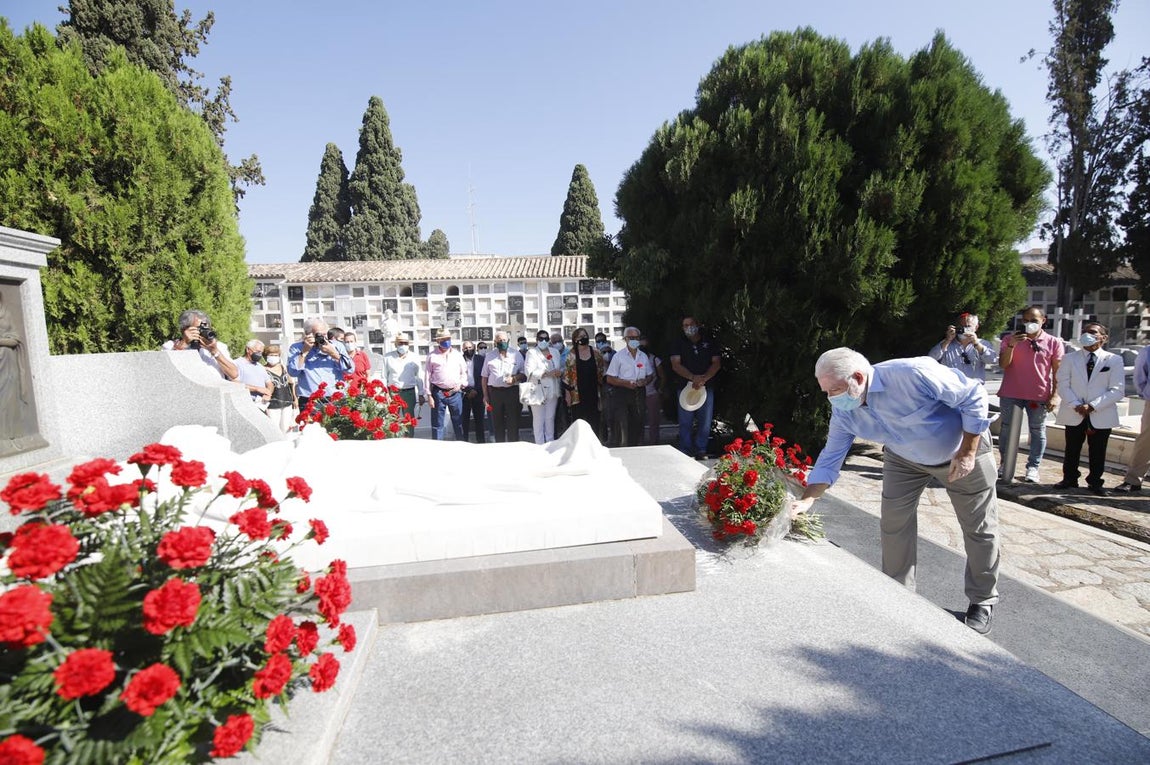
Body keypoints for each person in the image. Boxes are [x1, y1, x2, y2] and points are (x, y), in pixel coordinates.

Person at [793, 348, 1000, 635]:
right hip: (904, 458)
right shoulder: (844, 409)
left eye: (835, 390)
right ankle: (898, 591)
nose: (831, 398)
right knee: (894, 522)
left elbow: (973, 395)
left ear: (858, 377)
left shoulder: (912, 374)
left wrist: (968, 451)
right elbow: (831, 456)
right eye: (826, 392)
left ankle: (982, 599)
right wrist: (807, 500)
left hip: (960, 452)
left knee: (979, 527)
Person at [1053, 322, 1125, 496]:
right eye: (1085, 332)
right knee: (1072, 447)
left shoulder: (1113, 360)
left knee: (1098, 449)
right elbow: (1063, 384)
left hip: (1101, 412)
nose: (1087, 335)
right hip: (1074, 410)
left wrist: (1093, 406)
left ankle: (1095, 481)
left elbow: (1117, 389)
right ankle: (1069, 478)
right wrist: (1075, 404)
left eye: (1093, 332)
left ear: (1103, 338)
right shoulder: (1070, 358)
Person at [997, 305, 1064, 483]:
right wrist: (1012, 345)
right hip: (1011, 392)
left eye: (1033, 320)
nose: (1029, 323)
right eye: (1025, 320)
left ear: (1043, 320)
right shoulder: (1009, 339)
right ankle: (1005, 463)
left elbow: (1058, 371)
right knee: (1006, 429)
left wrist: (1055, 395)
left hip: (1039, 394)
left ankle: (1033, 467)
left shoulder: (1053, 342)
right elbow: (1003, 364)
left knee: (1037, 430)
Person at [670, 316, 721, 458]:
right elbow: (675, 364)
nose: (688, 327)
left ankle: (701, 449)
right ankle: (685, 450)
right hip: (685, 386)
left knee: (705, 421)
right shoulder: (678, 343)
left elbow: (716, 363)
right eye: (685, 325)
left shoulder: (709, 341)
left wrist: (704, 378)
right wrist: (693, 378)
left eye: (691, 324)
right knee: (685, 421)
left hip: (706, 386)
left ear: (698, 325)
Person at [288, 317, 353, 408]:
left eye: (325, 334)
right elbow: (293, 372)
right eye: (319, 334)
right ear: (308, 334)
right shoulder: (296, 348)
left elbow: (350, 369)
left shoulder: (336, 345)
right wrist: (304, 352)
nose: (323, 337)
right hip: (310, 398)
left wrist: (333, 353)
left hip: (335, 397)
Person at [605, 327, 652, 447]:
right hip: (622, 392)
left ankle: (636, 446)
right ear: (625, 339)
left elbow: (650, 375)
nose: (634, 340)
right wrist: (625, 383)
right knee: (623, 424)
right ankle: (623, 447)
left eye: (636, 338)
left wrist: (645, 381)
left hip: (639, 392)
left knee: (638, 421)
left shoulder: (643, 356)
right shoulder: (618, 356)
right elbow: (610, 378)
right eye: (631, 338)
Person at [162, 309, 239, 381]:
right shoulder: (170, 346)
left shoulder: (219, 346)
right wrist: (181, 346)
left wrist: (215, 351)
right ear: (184, 330)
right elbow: (163, 372)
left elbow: (234, 374)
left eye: (206, 328)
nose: (203, 332)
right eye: (199, 329)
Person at [1115, 344, 1150, 493]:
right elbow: (1140, 376)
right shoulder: (1147, 351)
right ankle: (1133, 480)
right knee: (1145, 442)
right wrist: (1145, 393)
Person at [927, 312, 998, 384]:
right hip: (951, 386)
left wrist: (976, 344)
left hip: (974, 386)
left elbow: (992, 360)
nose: (964, 329)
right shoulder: (946, 343)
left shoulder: (983, 343)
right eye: (961, 327)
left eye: (967, 326)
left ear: (976, 327)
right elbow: (931, 358)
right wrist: (948, 340)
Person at [481, 331, 525, 442]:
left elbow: (524, 373)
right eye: (499, 340)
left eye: (504, 340)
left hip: (512, 392)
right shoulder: (489, 356)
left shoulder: (516, 354)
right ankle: (500, 446)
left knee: (513, 422)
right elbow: (484, 377)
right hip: (495, 393)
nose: (502, 342)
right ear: (495, 342)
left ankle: (513, 445)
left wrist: (515, 378)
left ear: (508, 341)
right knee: (497, 423)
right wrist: (485, 395)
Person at [425, 328, 467, 441]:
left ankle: (461, 444)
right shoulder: (432, 356)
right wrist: (429, 395)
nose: (446, 341)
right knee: (437, 423)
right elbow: (427, 376)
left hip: (455, 393)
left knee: (458, 422)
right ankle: (438, 446)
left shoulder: (457, 355)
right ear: (438, 341)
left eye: (448, 339)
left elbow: (464, 372)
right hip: (438, 392)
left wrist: (461, 384)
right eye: (443, 339)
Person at [524, 330, 564, 443]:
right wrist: (547, 374)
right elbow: (529, 371)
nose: (544, 341)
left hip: (553, 390)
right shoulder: (531, 352)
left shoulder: (555, 352)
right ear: (537, 340)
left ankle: (550, 443)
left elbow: (560, 367)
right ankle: (539, 445)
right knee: (538, 420)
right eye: (541, 339)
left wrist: (559, 372)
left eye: (546, 339)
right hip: (538, 390)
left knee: (550, 418)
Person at [382, 333, 425, 438]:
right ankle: (393, 439)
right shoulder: (388, 357)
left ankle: (409, 439)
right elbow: (384, 376)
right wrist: (385, 393)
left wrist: (421, 393)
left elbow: (419, 376)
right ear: (396, 344)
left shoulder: (414, 357)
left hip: (409, 392)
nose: (403, 345)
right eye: (400, 343)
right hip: (393, 393)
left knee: (409, 418)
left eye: (405, 343)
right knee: (392, 418)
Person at [563, 327, 607, 429]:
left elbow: (602, 370)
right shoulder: (571, 355)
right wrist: (568, 394)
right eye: (580, 336)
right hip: (577, 394)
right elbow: (567, 375)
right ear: (575, 339)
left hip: (594, 392)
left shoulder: (596, 352)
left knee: (594, 422)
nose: (583, 338)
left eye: (585, 336)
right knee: (579, 423)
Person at [263, 344, 297, 434]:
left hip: (287, 402)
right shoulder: (263, 370)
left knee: (286, 428)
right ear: (266, 356)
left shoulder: (283, 367)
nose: (274, 357)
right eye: (271, 355)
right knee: (274, 430)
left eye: (276, 355)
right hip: (272, 404)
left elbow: (291, 383)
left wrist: (295, 398)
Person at [640, 335, 666, 445]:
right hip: (638, 393)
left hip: (652, 393)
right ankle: (639, 441)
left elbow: (662, 376)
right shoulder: (634, 360)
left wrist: (660, 390)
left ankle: (654, 441)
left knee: (654, 420)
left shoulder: (655, 359)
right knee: (638, 419)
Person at [233, 339, 273, 408]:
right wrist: (256, 389)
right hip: (245, 405)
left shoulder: (260, 366)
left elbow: (269, 384)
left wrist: (268, 394)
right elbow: (234, 384)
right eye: (258, 351)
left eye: (261, 352)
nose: (260, 355)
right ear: (248, 350)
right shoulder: (236, 364)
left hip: (261, 404)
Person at [461, 340, 487, 443]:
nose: (468, 350)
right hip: (464, 394)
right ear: (462, 349)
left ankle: (481, 443)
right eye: (465, 348)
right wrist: (467, 390)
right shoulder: (459, 360)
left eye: (470, 347)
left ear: (474, 348)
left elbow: (484, 376)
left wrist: (476, 390)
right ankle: (464, 442)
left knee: (479, 420)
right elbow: (457, 376)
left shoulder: (481, 359)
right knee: (464, 421)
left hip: (478, 393)